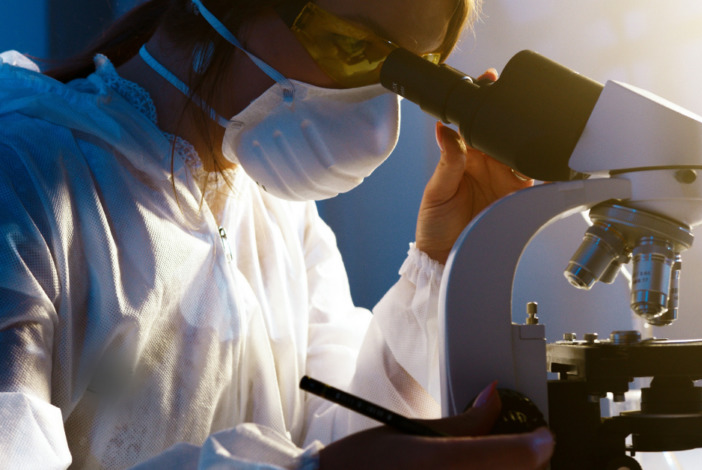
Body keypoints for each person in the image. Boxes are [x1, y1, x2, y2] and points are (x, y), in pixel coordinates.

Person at [0, 0, 553, 468]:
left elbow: (348, 436)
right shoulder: (24, 180)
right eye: (355, 46)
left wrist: (439, 261)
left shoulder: (281, 214)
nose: (379, 110)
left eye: (413, 72)